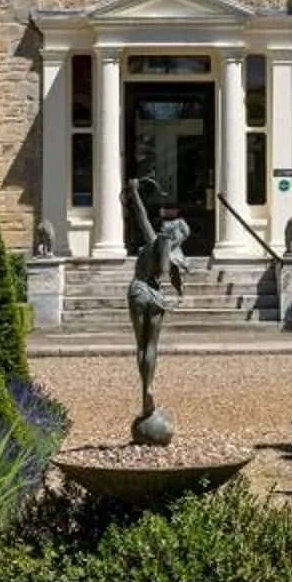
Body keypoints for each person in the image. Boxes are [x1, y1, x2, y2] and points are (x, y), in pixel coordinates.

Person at [123, 177, 190, 442]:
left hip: (139, 290)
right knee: (152, 347)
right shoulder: (169, 258)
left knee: (140, 346)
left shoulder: (151, 241)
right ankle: (150, 387)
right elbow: (174, 282)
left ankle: (145, 392)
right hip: (156, 296)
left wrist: (134, 191)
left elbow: (139, 214)